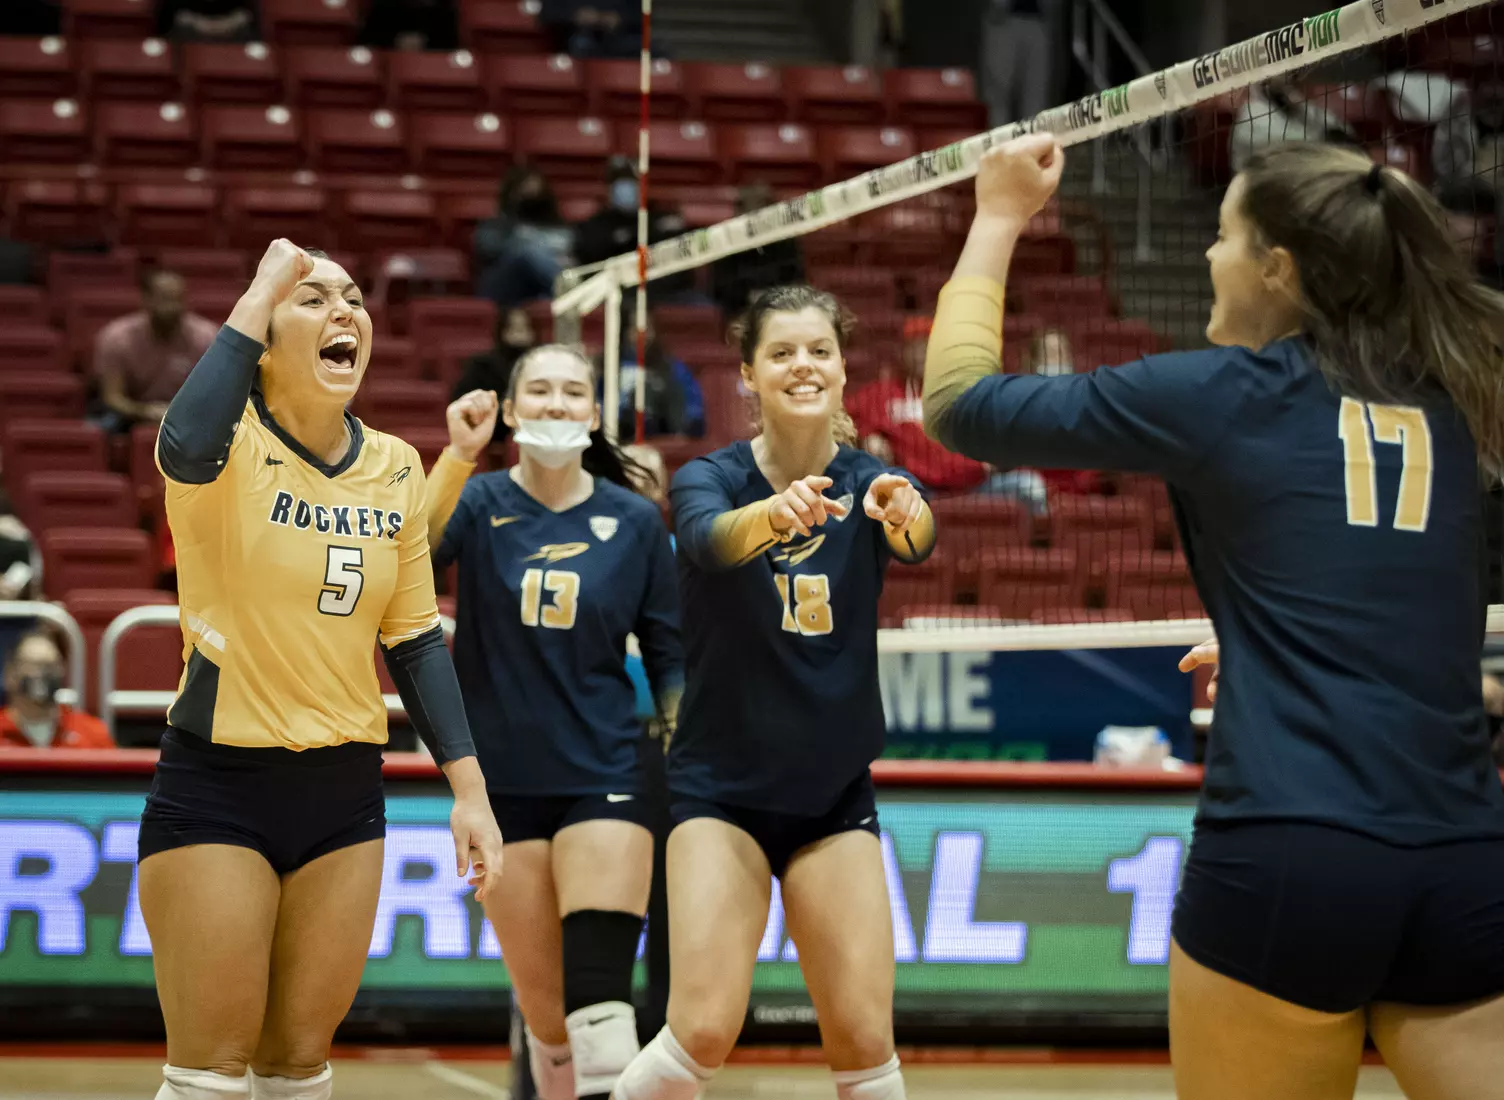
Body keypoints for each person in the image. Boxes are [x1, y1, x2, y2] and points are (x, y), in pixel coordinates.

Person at [923, 133, 1504, 1100]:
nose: (1204, 253)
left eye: (1225, 235)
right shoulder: (1452, 399)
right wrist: (1274, 648)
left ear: (1276, 269)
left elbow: (956, 403)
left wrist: (997, 215)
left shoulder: (1218, 394)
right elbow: (1381, 595)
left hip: (1290, 853)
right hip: (1464, 865)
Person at [139, 239, 505, 1100]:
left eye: (352, 298)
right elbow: (181, 445)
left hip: (345, 792)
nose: (344, 311)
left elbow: (413, 639)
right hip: (218, 786)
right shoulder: (224, 443)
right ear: (265, 336)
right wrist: (266, 281)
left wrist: (471, 791)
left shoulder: (394, 467)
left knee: (300, 1070)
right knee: (210, 1075)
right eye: (314, 300)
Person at [611, 285, 936, 1100]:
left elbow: (918, 539)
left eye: (819, 351)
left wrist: (909, 511)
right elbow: (708, 542)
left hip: (832, 793)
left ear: (841, 368)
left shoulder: (872, 480)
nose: (803, 365)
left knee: (865, 1039)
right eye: (782, 352)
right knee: (703, 1032)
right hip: (721, 793)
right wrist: (775, 516)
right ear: (749, 375)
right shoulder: (707, 478)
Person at [425, 350, 682, 1100]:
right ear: (511, 409)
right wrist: (458, 455)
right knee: (547, 1022)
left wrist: (685, 742)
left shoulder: (633, 519)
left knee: (601, 1013)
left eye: (575, 392)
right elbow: (413, 557)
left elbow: (670, 654)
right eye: (540, 390)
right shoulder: (479, 502)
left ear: (595, 415)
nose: (559, 403)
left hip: (606, 774)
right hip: (501, 784)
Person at [848, 315, 989, 494]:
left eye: (928, 348)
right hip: (912, 488)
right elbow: (843, 415)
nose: (922, 355)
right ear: (903, 352)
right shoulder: (883, 393)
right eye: (915, 347)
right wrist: (868, 434)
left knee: (1025, 485)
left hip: (972, 485)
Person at [93, 267, 218, 433]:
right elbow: (113, 397)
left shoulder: (207, 337)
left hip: (191, 416)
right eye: (165, 299)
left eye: (177, 299)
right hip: (131, 416)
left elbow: (215, 395)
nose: (172, 307)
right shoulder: (117, 338)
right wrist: (145, 412)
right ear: (146, 299)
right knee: (97, 427)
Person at [475, 167, 576, 308]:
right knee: (526, 253)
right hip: (507, 293)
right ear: (512, 194)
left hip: (544, 293)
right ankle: (565, 285)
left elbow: (571, 258)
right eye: (524, 190)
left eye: (535, 190)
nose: (530, 195)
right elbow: (486, 248)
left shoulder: (560, 229)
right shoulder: (497, 226)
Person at [0, 629, 112, 749]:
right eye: (33, 665)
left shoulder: (93, 733)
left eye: (51, 666)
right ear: (10, 674)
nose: (42, 673)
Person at [709, 185, 806, 322]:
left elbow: (796, 278)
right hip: (740, 310)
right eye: (749, 207)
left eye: (760, 207)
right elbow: (719, 286)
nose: (754, 212)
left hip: (781, 309)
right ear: (739, 211)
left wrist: (772, 296)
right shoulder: (726, 242)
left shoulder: (786, 241)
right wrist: (748, 295)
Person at [449, 307, 537, 441]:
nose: (518, 335)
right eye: (513, 329)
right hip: (492, 431)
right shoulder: (482, 365)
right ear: (501, 331)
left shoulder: (541, 367)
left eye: (524, 329)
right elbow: (462, 402)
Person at [612, 317, 705, 441]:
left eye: (647, 329)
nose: (641, 334)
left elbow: (693, 406)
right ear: (624, 332)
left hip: (664, 433)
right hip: (625, 433)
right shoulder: (610, 367)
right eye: (635, 329)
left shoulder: (672, 367)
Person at [358, 0, 460, 51]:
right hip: (389, 58)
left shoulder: (444, 8)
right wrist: (395, 40)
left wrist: (426, 42)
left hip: (433, 60)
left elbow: (451, 45)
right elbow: (368, 41)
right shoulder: (382, 6)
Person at [155, 0, 261, 42]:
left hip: (234, 40)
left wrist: (227, 25)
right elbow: (165, 25)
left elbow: (247, 16)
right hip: (187, 40)